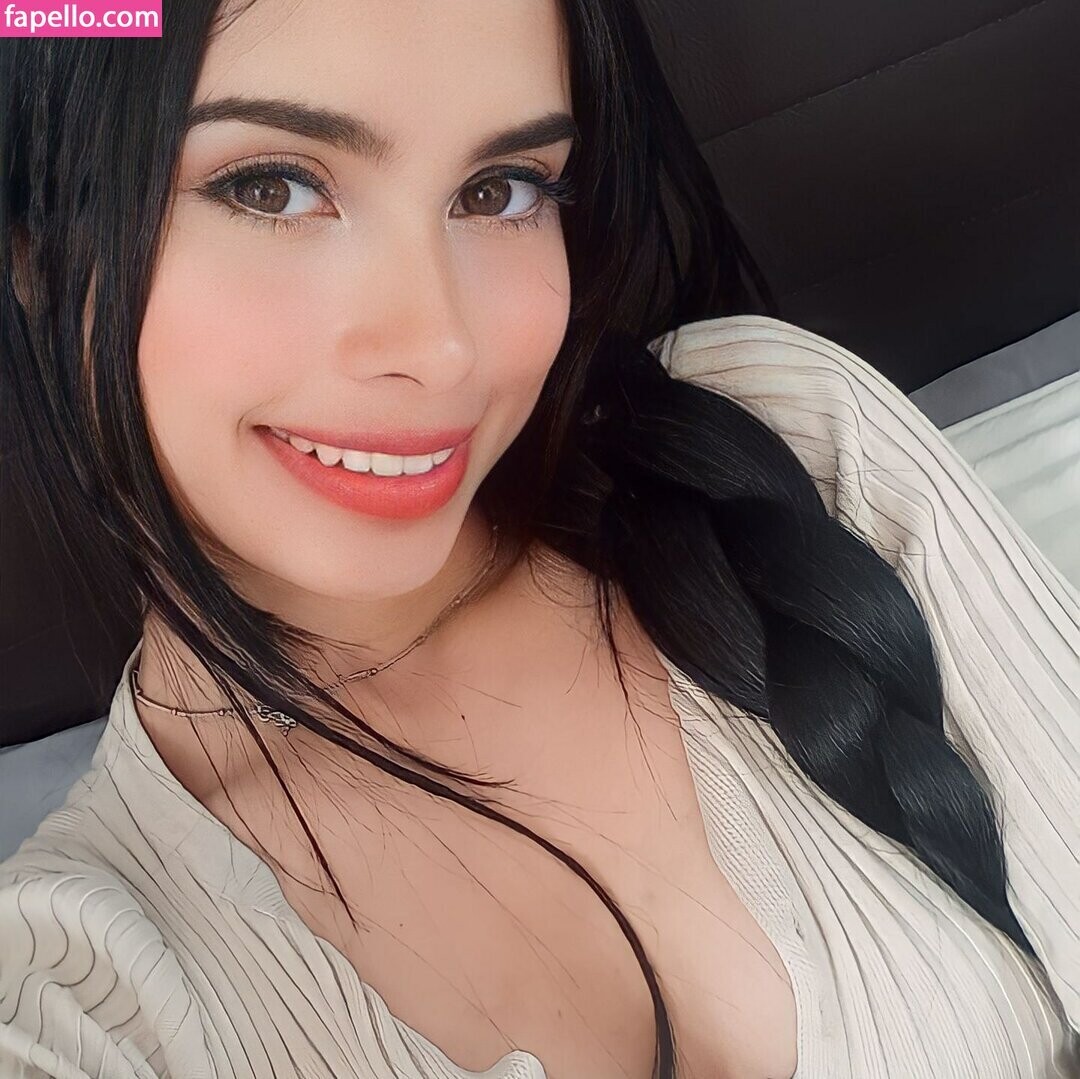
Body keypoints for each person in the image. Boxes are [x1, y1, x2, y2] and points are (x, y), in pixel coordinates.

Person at [0, 1, 1077, 1076]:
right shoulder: (76, 978)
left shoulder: (787, 445)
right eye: (270, 187)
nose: (443, 346)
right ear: (36, 254)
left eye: (500, 189)